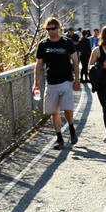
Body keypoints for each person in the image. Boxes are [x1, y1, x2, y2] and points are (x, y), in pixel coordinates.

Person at [33, 17, 80, 149]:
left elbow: (76, 61)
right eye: (48, 29)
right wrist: (35, 83)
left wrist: (77, 80)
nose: (50, 31)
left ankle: (71, 128)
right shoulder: (43, 45)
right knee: (54, 112)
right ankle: (59, 138)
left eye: (53, 28)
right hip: (51, 82)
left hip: (66, 81)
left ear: (58, 28)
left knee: (67, 108)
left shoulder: (67, 42)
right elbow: (38, 65)